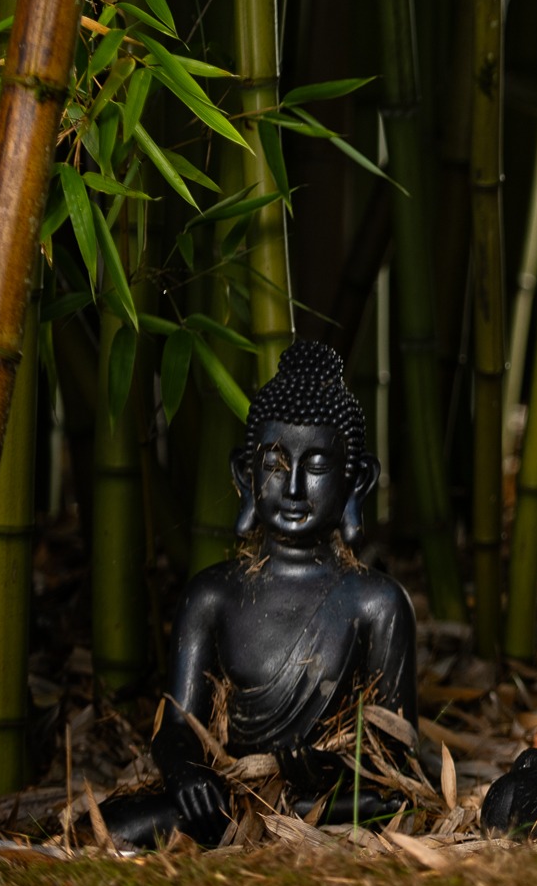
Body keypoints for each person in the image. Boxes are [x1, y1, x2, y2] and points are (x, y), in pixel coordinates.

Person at [103, 340, 416, 847]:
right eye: (274, 463)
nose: (292, 487)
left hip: (324, 799)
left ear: (356, 481)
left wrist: (325, 769)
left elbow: (396, 752)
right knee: (117, 825)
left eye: (315, 466)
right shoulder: (212, 596)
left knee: (384, 806)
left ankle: (279, 830)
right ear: (245, 476)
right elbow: (178, 724)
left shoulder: (375, 603)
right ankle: (257, 829)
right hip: (232, 794)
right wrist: (187, 777)